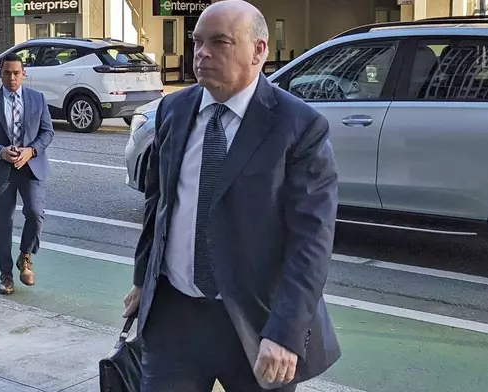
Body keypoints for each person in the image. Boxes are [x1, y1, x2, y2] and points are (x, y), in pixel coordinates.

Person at [121, 1, 341, 391]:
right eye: (197, 42)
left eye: (220, 42)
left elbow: (311, 240)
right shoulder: (174, 109)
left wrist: (286, 332)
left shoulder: (299, 127)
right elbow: (158, 205)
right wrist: (144, 279)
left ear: (259, 50)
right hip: (174, 317)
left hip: (256, 326)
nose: (202, 53)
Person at [0, 53, 54, 295]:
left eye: (16, 73)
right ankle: (6, 274)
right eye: (7, 72)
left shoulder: (37, 99)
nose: (12, 77)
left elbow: (47, 132)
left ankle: (25, 257)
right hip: (2, 170)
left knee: (35, 213)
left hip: (31, 167)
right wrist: (0, 151)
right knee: (2, 222)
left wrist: (31, 151)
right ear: (0, 74)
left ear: (24, 74)